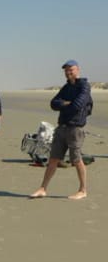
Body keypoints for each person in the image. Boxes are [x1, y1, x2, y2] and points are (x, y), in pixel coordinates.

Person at [30, 60, 93, 200]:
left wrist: (64, 105)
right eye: (66, 70)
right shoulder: (66, 87)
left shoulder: (84, 86)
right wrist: (66, 103)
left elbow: (78, 105)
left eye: (71, 69)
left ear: (78, 70)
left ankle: (83, 190)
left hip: (75, 128)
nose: (68, 72)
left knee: (76, 159)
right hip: (61, 127)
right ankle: (43, 188)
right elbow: (53, 103)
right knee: (53, 159)